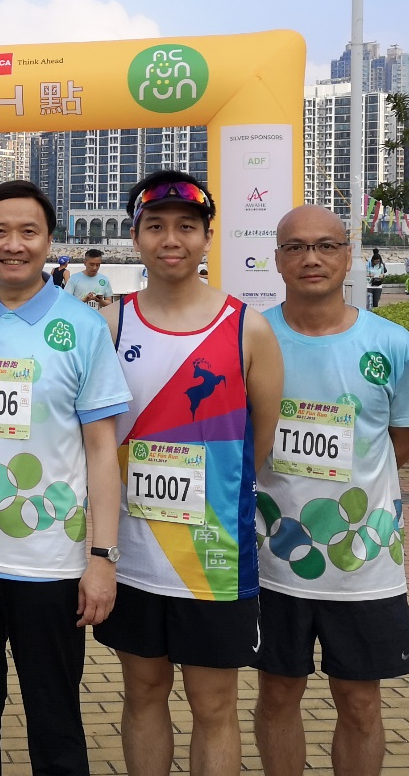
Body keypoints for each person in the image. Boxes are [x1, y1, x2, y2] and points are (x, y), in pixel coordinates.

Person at [0, 180, 132, 776]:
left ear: (49, 242)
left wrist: (102, 556)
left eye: (28, 232)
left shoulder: (84, 327)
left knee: (55, 713)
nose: (12, 244)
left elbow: (101, 449)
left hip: (51, 561)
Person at [92, 171, 283, 776]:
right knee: (143, 693)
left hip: (214, 557)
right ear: (136, 238)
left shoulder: (247, 328)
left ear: (206, 238)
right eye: (155, 227)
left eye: (185, 227)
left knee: (214, 704)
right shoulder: (108, 324)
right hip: (133, 553)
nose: (170, 239)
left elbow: (258, 448)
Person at [253, 205, 409, 776]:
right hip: (270, 558)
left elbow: (402, 440)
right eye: (297, 247)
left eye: (326, 246)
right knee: (278, 695)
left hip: (363, 562)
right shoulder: (250, 338)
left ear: (348, 255)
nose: (312, 258)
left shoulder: (394, 344)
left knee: (359, 703)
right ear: (278, 259)